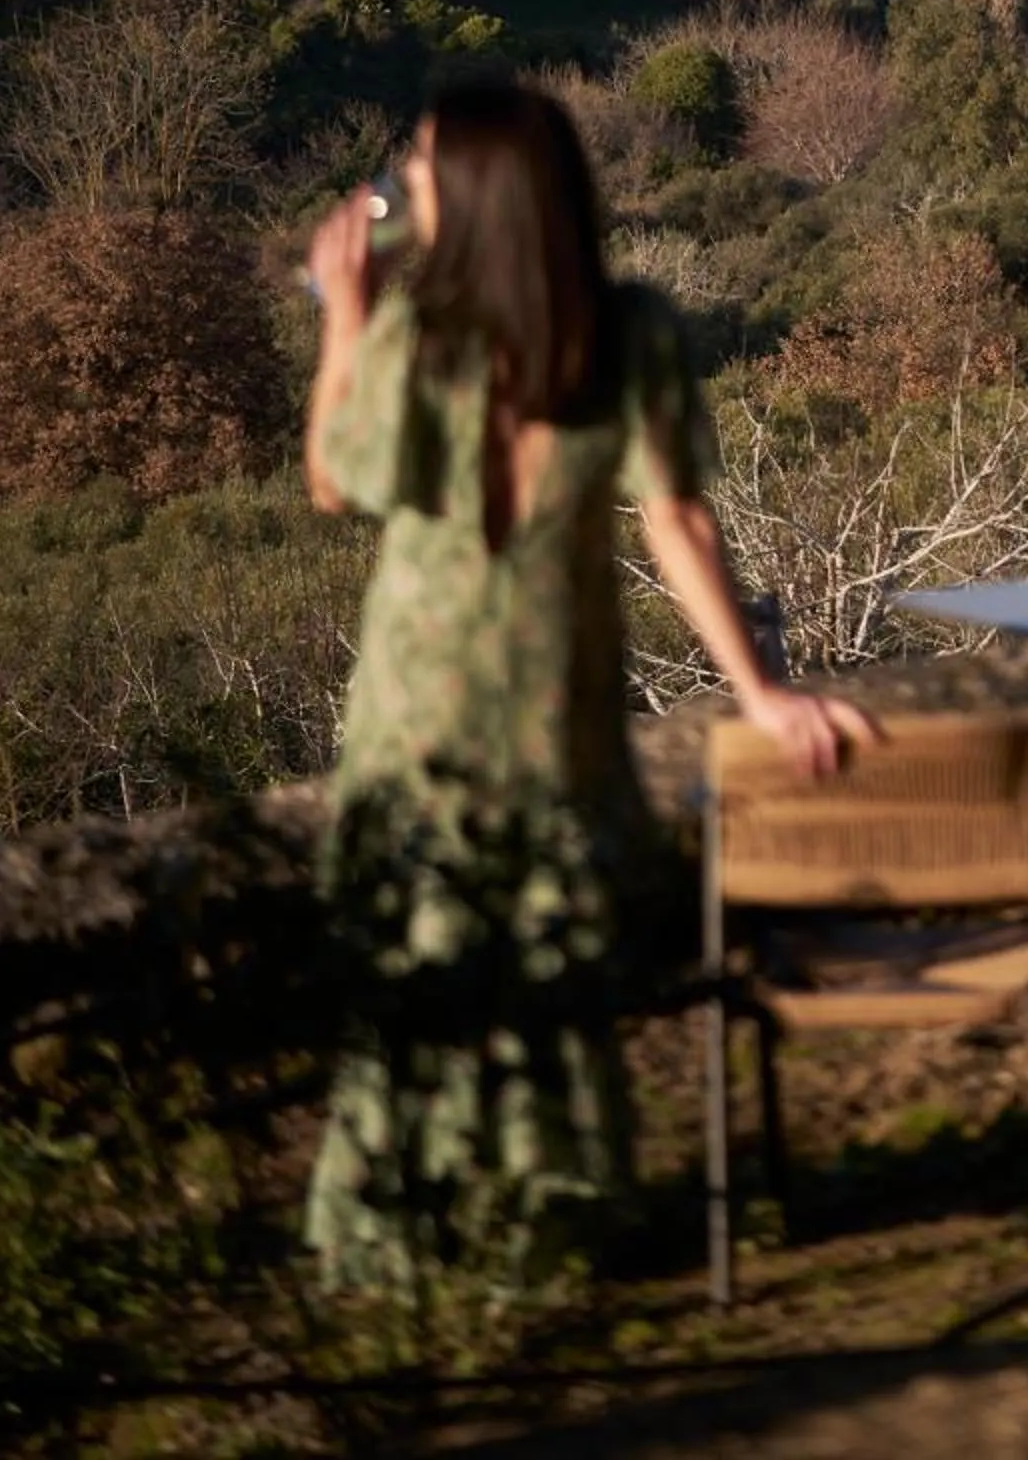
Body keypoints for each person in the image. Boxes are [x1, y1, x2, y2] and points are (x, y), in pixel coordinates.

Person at [299, 76, 872, 1288]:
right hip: (556, 687)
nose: (406, 181)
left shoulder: (418, 337)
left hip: (422, 689)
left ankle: (418, 1225)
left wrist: (344, 312)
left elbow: (338, 481)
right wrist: (759, 690)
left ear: (476, 194)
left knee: (428, 942)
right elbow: (678, 523)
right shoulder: (628, 332)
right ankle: (548, 1214)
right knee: (545, 943)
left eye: (423, 162)